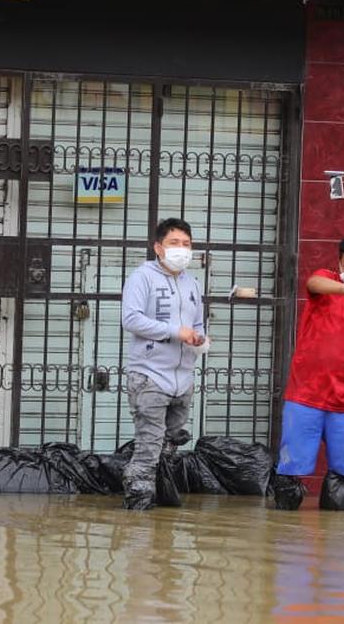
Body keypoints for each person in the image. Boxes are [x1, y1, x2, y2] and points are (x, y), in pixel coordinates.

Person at [273, 234, 344, 511]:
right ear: (339, 264)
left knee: (341, 487)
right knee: (289, 477)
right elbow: (313, 283)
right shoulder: (327, 284)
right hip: (305, 397)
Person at [120, 218, 209, 510]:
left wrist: (198, 339)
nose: (181, 250)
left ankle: (160, 500)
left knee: (170, 444)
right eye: (174, 243)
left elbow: (197, 323)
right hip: (150, 376)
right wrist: (174, 331)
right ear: (158, 247)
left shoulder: (192, 283)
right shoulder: (142, 277)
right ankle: (139, 504)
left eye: (186, 244)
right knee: (149, 445)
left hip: (182, 378)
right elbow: (130, 319)